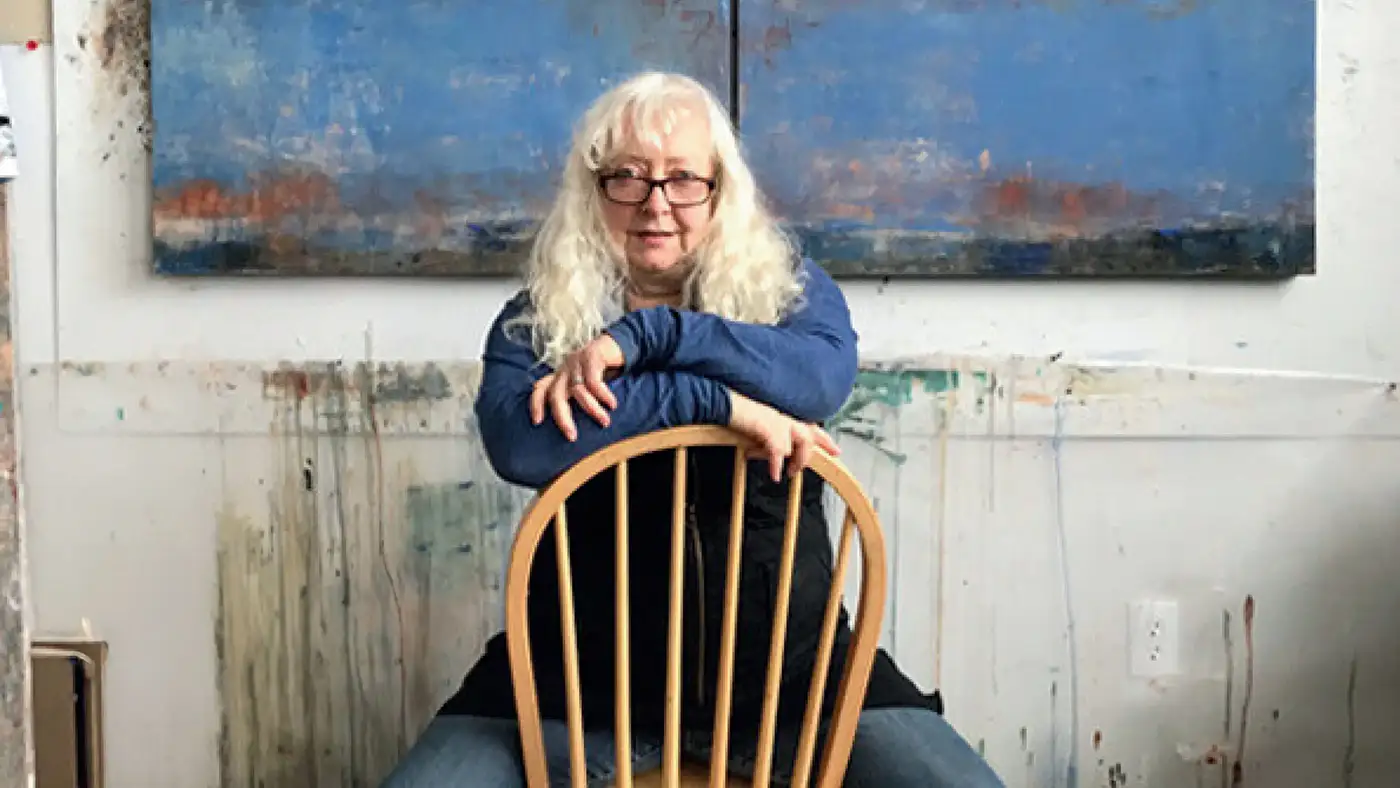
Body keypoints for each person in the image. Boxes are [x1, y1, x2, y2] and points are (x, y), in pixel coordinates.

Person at [381, 72, 1004, 788]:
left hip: (795, 687)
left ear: (719, 192)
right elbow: (519, 447)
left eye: (683, 180)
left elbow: (820, 381)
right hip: (572, 689)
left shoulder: (788, 294)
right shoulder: (540, 321)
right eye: (628, 178)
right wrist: (714, 404)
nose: (656, 205)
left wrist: (652, 336)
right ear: (593, 192)